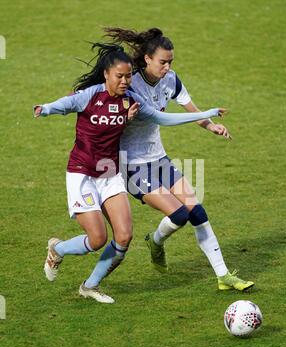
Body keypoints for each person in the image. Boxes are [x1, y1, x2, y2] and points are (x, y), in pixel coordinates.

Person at [34, 43, 225, 303]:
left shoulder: (131, 102)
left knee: (124, 237)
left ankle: (90, 286)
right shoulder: (89, 96)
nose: (125, 81)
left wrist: (207, 115)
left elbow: (163, 118)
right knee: (98, 238)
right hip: (82, 174)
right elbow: (65, 104)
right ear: (106, 75)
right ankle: (57, 249)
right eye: (119, 76)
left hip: (110, 173)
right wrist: (45, 108)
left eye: (128, 76)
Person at [104, 27, 254, 291]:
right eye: (162, 61)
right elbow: (163, 118)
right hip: (131, 165)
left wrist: (210, 125)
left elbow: (190, 110)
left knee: (196, 210)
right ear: (147, 59)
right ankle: (156, 241)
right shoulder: (131, 84)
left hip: (159, 159)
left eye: (170, 61)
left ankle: (223, 275)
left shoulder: (171, 80)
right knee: (179, 213)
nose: (167, 66)